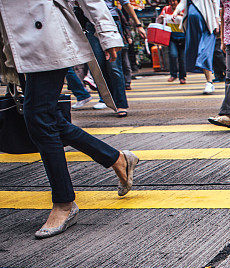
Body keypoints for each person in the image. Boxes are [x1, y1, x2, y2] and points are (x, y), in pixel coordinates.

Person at [0, 0, 139, 238]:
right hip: (14, 42)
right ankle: (117, 159)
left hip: (46, 35)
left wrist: (106, 34)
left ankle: (64, 203)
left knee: (39, 117)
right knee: (49, 118)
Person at [86, 0, 146, 117]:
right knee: (99, 66)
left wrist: (138, 25)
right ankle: (108, 99)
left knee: (114, 66)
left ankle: (121, 104)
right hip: (90, 24)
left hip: (110, 21)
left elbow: (126, 3)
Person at [172, 0, 220, 94]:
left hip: (207, 25)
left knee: (204, 53)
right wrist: (176, 12)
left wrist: (216, 20)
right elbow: (183, 2)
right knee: (197, 53)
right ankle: (209, 81)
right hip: (193, 27)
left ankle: (209, 82)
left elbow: (215, 3)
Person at [160, 0, 187, 83]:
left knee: (182, 58)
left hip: (183, 38)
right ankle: (173, 75)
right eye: (170, 1)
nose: (172, 3)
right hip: (172, 38)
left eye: (174, 1)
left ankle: (182, 77)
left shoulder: (184, 9)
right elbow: (159, 20)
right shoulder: (166, 9)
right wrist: (161, 18)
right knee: (173, 55)